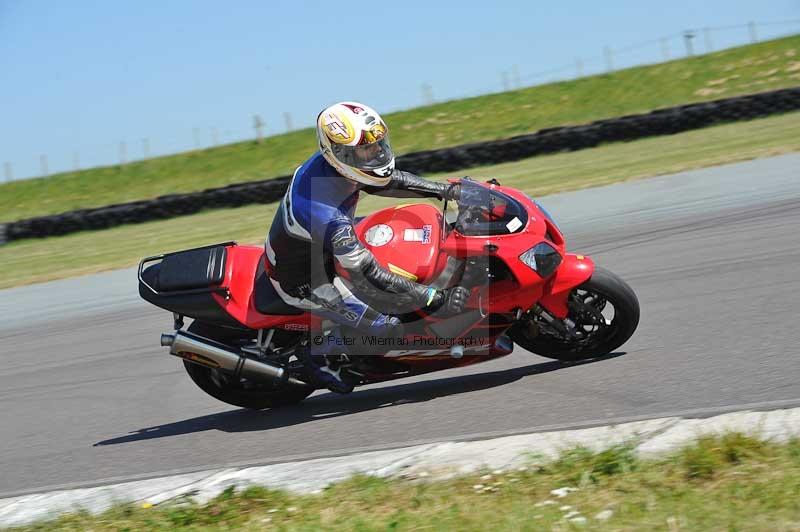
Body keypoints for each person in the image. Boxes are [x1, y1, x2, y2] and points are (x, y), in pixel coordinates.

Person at [265, 101, 468, 393]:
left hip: (324, 248)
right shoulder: (323, 210)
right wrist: (432, 297)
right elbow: (367, 272)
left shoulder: (340, 166)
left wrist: (447, 190)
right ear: (341, 154)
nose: (376, 152)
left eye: (377, 143)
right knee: (386, 326)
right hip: (306, 280)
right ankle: (318, 357)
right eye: (366, 148)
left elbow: (386, 180)